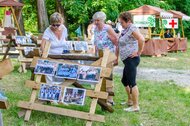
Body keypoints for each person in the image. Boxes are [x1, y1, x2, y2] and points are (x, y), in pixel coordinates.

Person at [119, 12, 145, 112]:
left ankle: (135, 106)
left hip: (131, 60)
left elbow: (141, 39)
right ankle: (130, 101)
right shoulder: (126, 29)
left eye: (122, 22)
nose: (121, 24)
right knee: (124, 81)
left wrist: (139, 52)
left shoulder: (132, 29)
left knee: (132, 83)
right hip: (127, 60)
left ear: (128, 21)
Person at [93, 11, 118, 105]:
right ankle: (101, 96)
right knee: (99, 76)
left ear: (102, 20)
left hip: (108, 54)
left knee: (108, 76)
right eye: (95, 20)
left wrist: (116, 57)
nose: (96, 22)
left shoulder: (108, 28)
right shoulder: (95, 29)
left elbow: (116, 41)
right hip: (99, 54)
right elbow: (96, 42)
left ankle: (110, 99)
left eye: (98, 20)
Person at [41, 12, 68, 84]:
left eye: (58, 25)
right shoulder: (48, 31)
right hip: (50, 57)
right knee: (50, 75)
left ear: (61, 22)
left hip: (62, 57)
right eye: (53, 25)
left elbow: (65, 41)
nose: (55, 27)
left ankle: (60, 90)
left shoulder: (64, 29)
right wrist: (45, 57)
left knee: (62, 75)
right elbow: (42, 45)